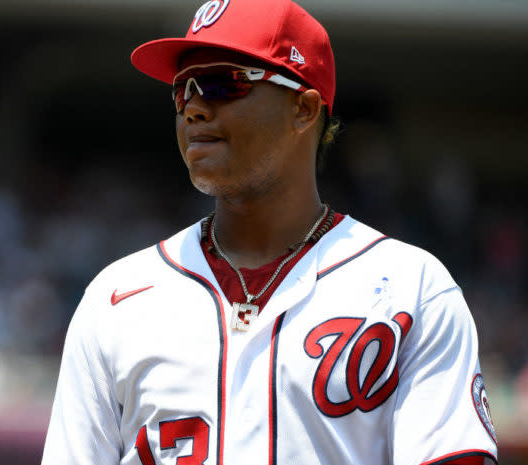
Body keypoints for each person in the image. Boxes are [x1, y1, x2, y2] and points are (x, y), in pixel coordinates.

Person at [41, 0, 499, 464]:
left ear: (303, 109)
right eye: (183, 91)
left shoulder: (411, 288)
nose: (194, 109)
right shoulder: (118, 299)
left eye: (222, 84)